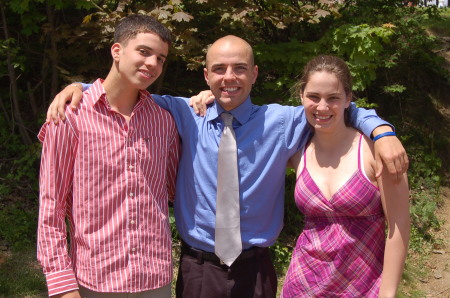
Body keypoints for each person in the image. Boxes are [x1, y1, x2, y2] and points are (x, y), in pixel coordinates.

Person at [47, 35, 408, 298]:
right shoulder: (184, 112)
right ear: (206, 76)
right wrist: (77, 86)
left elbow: (334, 105)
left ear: (254, 73)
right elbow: (123, 90)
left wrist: (382, 131)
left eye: (239, 68)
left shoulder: (283, 121)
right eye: (219, 69)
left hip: (256, 270)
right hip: (199, 268)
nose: (229, 77)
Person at [37, 15, 180, 297]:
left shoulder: (164, 122)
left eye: (161, 58)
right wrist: (62, 284)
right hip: (94, 280)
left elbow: (171, 188)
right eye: (144, 51)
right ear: (117, 50)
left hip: (155, 278)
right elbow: (50, 207)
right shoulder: (70, 117)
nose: (153, 63)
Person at [281, 55, 410, 297]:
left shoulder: (378, 152)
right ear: (301, 96)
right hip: (302, 285)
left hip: (365, 286)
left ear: (348, 99)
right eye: (314, 97)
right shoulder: (296, 152)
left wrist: (388, 292)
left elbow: (399, 226)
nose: (322, 107)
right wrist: (210, 99)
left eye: (333, 98)